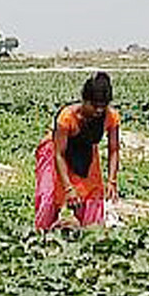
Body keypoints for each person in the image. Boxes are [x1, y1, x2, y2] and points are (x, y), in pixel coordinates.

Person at [35, 71, 120, 230]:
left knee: (92, 197)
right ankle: (42, 235)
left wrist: (111, 181)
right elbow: (59, 154)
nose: (99, 111)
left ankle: (90, 234)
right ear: (85, 100)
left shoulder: (111, 117)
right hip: (55, 151)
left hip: (86, 151)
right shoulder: (67, 117)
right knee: (50, 196)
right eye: (94, 106)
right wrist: (68, 188)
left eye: (103, 106)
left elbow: (113, 149)